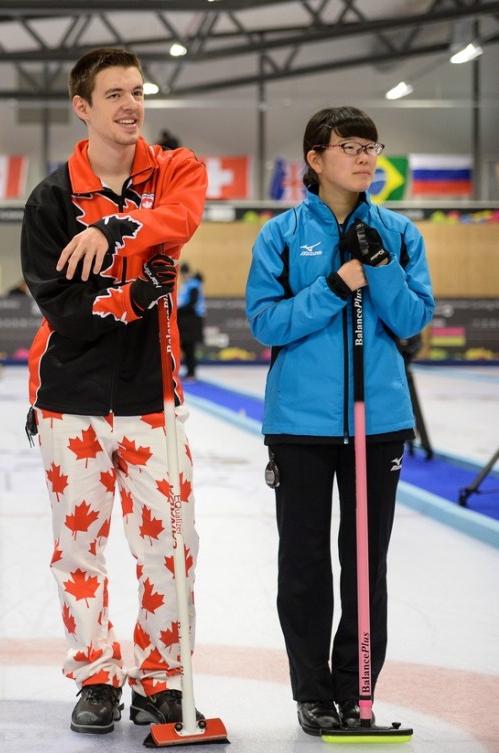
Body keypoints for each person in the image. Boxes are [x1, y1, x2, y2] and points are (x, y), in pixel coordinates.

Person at [20, 47, 209, 735]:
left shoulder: (174, 169)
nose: (131, 104)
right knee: (79, 547)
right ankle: (96, 674)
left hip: (152, 395)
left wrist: (115, 229)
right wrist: (134, 293)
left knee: (172, 543)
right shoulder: (49, 199)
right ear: (82, 106)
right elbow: (63, 311)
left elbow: (181, 218)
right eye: (114, 95)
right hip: (68, 399)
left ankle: (160, 678)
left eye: (138, 91)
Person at [245, 105, 433, 736]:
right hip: (300, 421)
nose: (364, 157)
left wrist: (378, 269)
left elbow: (410, 321)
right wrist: (332, 286)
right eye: (349, 146)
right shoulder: (280, 234)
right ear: (315, 159)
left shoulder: (401, 233)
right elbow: (266, 322)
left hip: (378, 421)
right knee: (302, 561)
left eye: (371, 146)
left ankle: (358, 691)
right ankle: (313, 693)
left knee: (365, 560)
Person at [176, 263, 205, 380]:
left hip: (191, 319)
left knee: (189, 347)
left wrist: (179, 310)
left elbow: (192, 303)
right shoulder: (188, 284)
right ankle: (189, 371)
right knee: (186, 346)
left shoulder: (193, 284)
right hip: (187, 318)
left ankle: (191, 372)